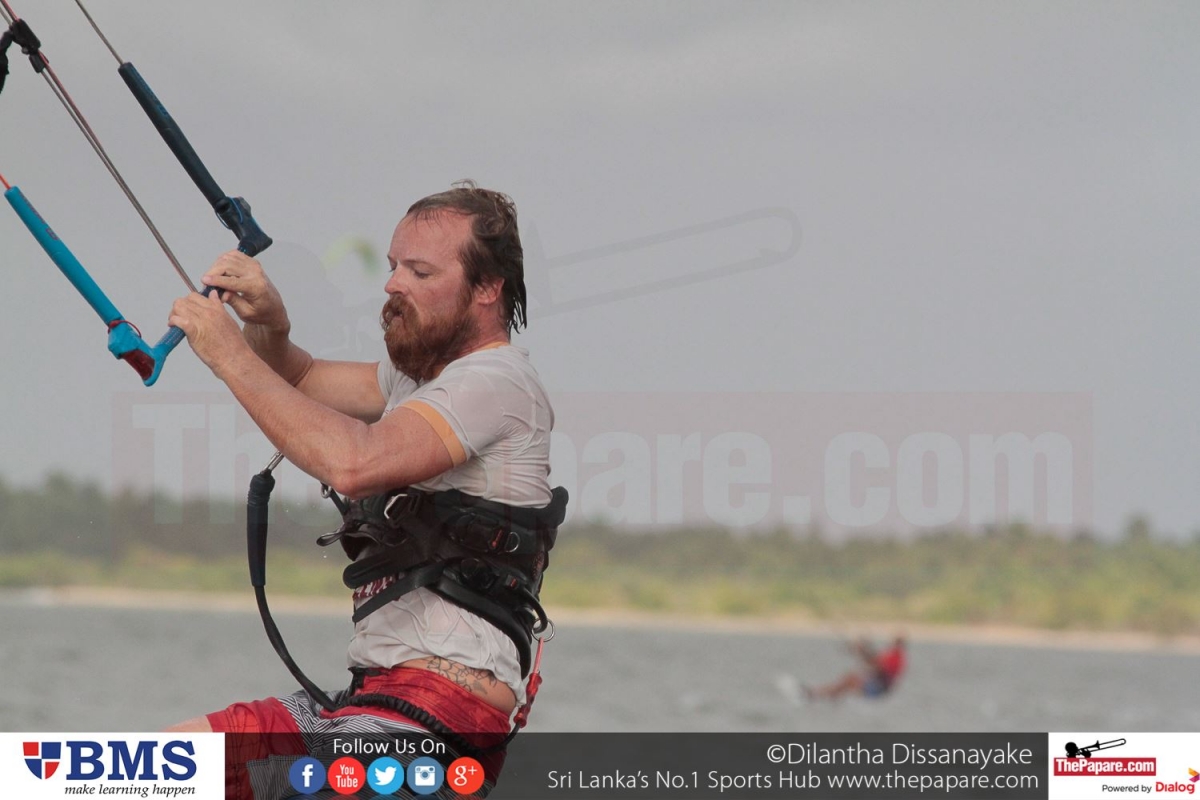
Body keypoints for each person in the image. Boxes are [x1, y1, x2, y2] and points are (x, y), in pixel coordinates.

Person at [163, 181, 562, 799]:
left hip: (439, 719)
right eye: (393, 265)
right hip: (366, 701)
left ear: (487, 288)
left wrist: (227, 354)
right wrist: (267, 325)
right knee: (130, 772)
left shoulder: (495, 382)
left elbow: (353, 462)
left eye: (419, 272)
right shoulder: (418, 380)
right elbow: (300, 378)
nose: (392, 284)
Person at [805, 636, 906, 701]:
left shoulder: (895, 658)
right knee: (848, 679)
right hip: (876, 685)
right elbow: (874, 662)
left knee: (849, 680)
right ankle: (825, 695)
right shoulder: (891, 655)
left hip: (878, 689)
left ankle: (816, 694)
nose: (892, 644)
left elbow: (877, 667)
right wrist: (862, 651)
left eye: (894, 643)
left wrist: (861, 651)